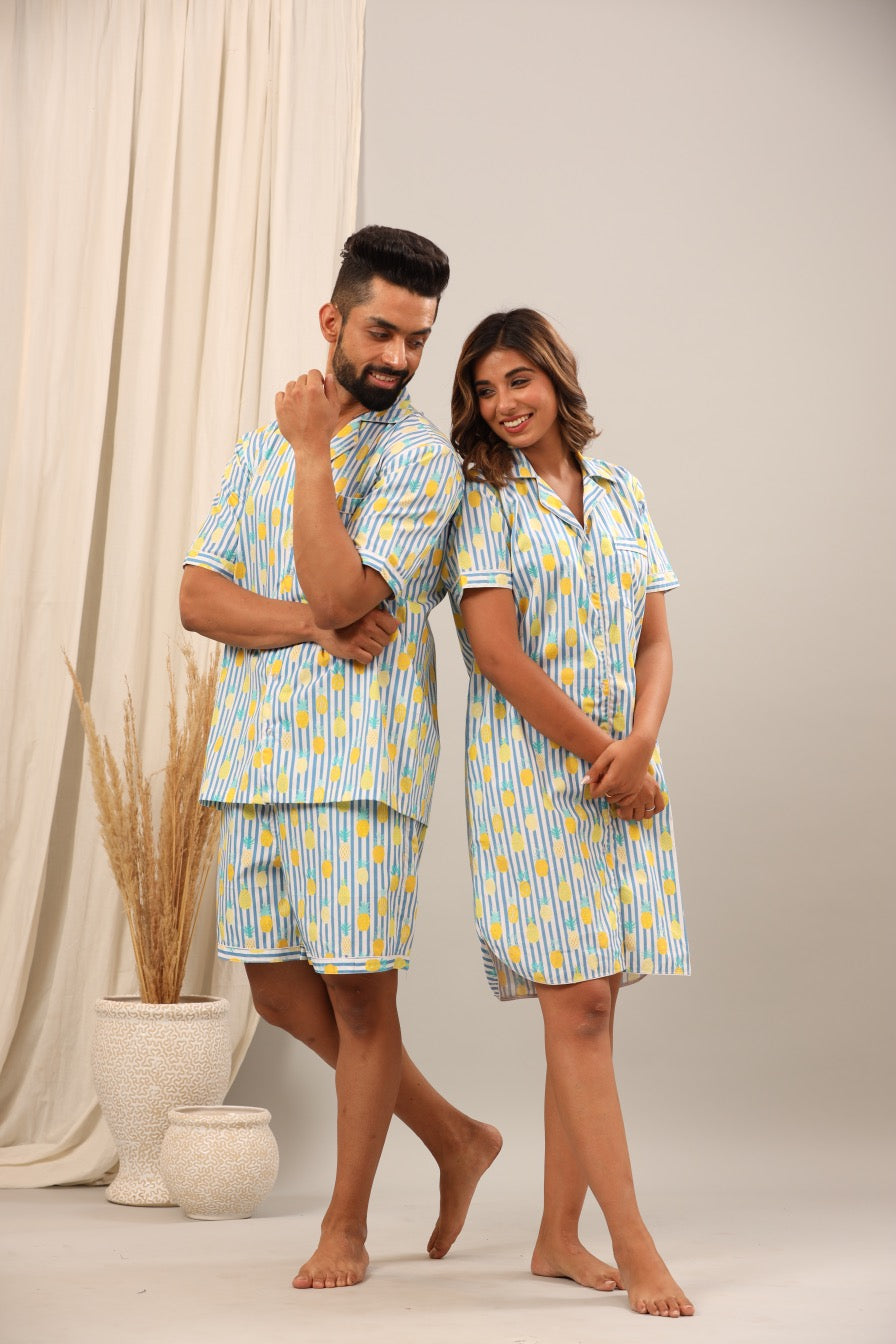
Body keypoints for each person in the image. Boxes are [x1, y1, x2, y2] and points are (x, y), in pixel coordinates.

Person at [180, 226, 501, 1290]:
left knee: (361, 1002)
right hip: (255, 762)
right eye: (381, 331)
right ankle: (456, 1136)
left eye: (417, 338)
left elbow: (341, 592)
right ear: (332, 319)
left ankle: (347, 1228)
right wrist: (317, 627)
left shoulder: (420, 460)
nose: (401, 358)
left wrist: (315, 461)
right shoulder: (257, 439)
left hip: (359, 769)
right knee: (276, 994)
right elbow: (198, 598)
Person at [445, 309, 693, 1318]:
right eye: (483, 389)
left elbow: (655, 639)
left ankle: (555, 1236)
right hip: (532, 780)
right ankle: (634, 1248)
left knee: (587, 1011)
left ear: (554, 376)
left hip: (622, 774)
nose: (503, 404)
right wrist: (606, 755)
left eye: (518, 380)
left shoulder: (623, 491)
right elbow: (497, 655)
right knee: (578, 1008)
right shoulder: (480, 500)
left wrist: (637, 744)